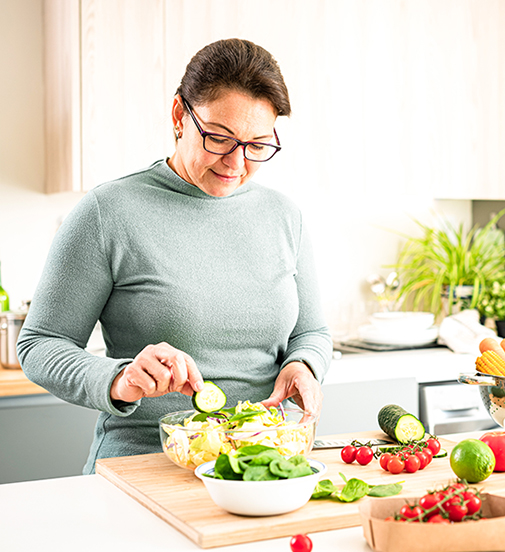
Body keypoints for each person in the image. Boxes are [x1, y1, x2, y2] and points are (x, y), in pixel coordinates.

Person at [17, 38, 332, 474]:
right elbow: (39, 345)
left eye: (258, 145)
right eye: (220, 138)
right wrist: (120, 379)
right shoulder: (108, 212)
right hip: (145, 467)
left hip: (260, 468)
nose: (237, 163)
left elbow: (312, 331)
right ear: (180, 116)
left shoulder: (283, 216)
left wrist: (304, 364)